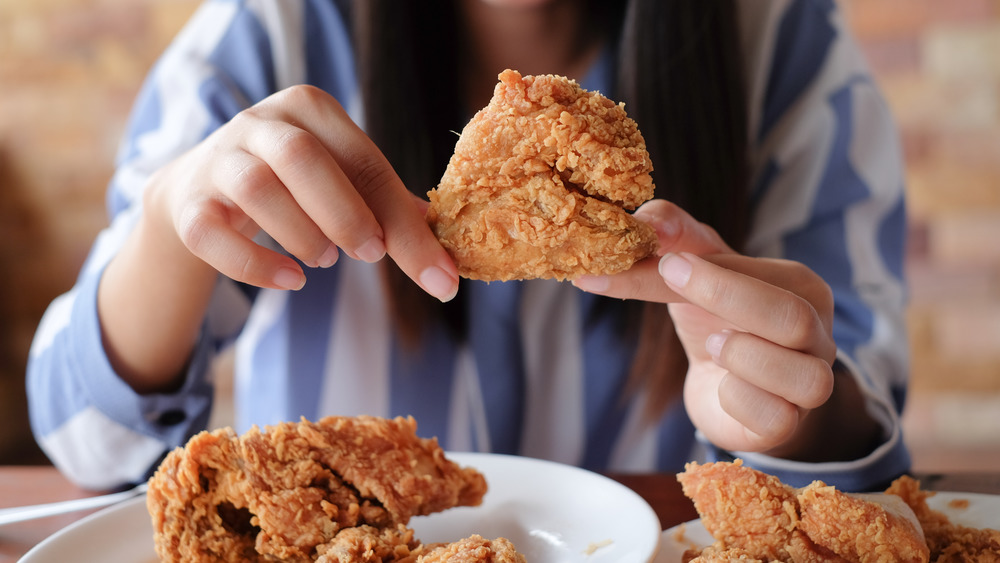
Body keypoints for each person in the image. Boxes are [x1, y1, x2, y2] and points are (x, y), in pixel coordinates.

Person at [27, 0, 911, 493]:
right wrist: (172, 230)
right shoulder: (267, 35)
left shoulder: (784, 48)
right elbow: (86, 439)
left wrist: (796, 408)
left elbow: (863, 457)